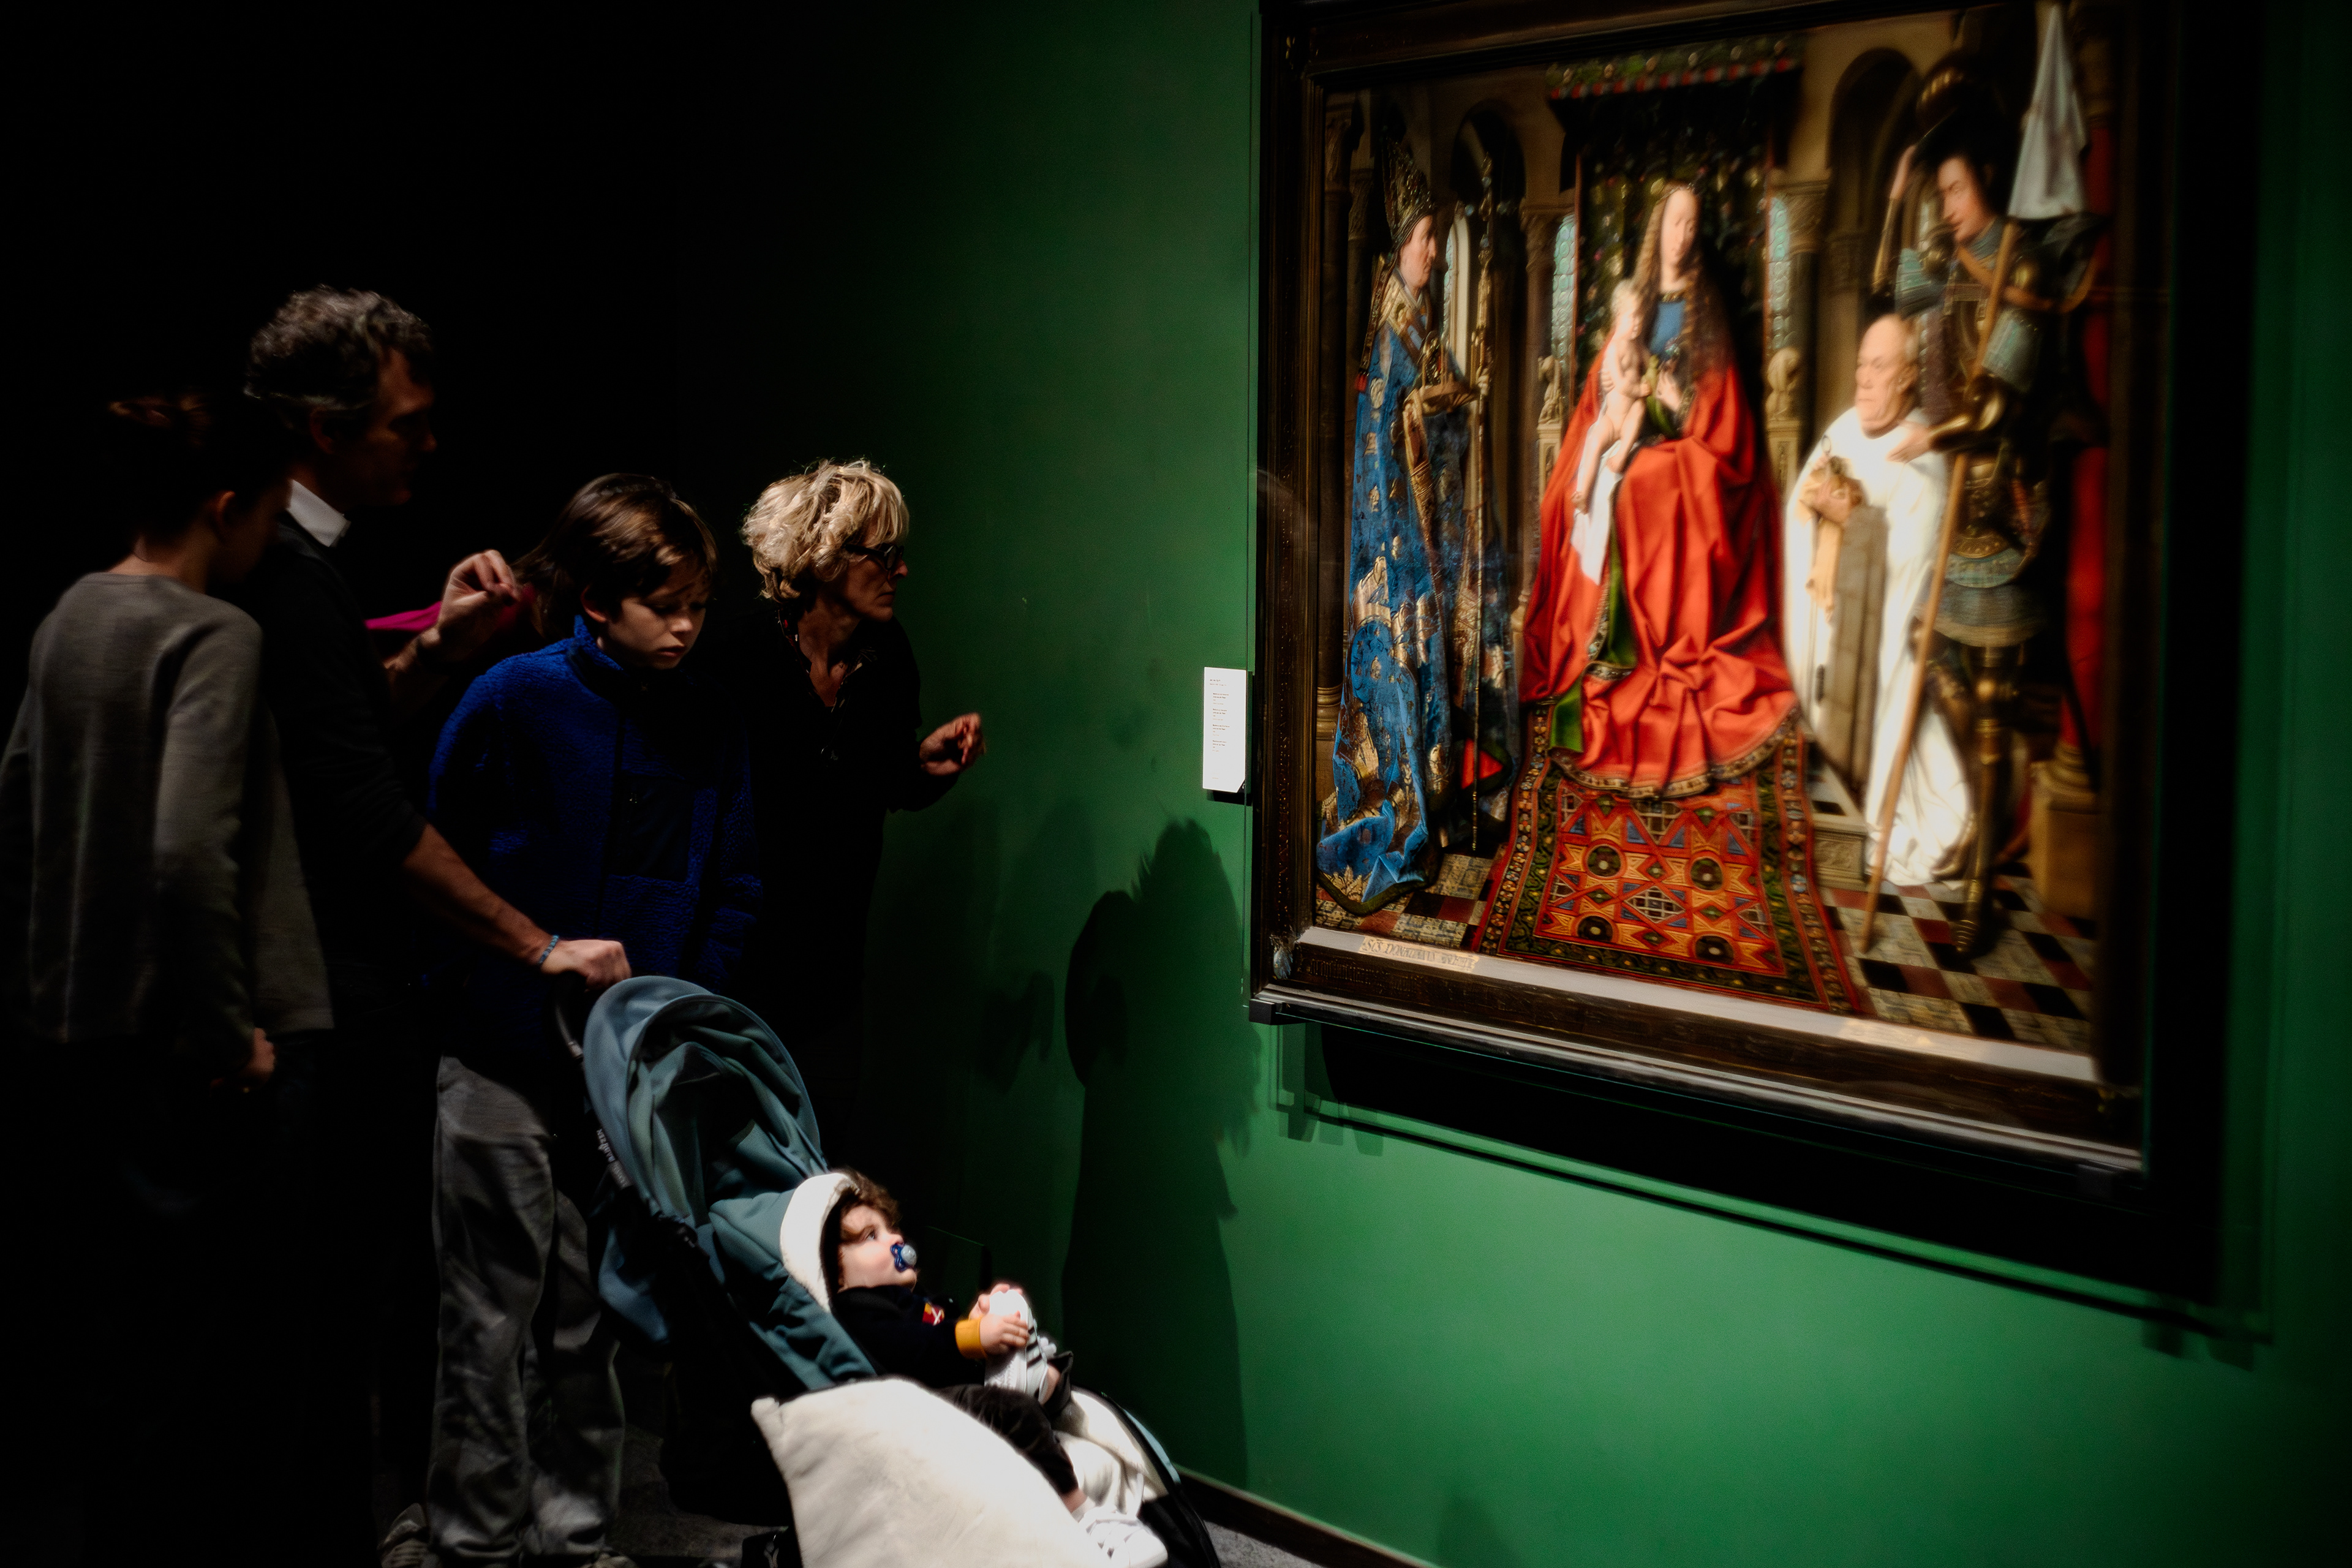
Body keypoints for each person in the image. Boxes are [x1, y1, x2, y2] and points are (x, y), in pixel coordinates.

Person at [235, 286, 629, 1561]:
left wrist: (442, 647)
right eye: (406, 421)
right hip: (309, 999)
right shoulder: (280, 575)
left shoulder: (306, 571)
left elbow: (340, 731)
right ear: (324, 428)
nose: (429, 442)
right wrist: (536, 942)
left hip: (328, 991)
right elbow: (366, 813)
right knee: (316, 1325)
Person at [1, 391, 332, 1562]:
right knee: (225, 1376)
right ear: (226, 507)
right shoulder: (214, 634)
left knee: (126, 1357)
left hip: (88, 1040)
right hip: (205, 1056)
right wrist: (230, 1030)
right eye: (273, 514)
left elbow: (21, 801)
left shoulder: (70, 615)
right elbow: (190, 848)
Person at [420, 474, 756, 1568]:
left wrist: (677, 1012)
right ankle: (473, 1544)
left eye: (699, 605)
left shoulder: (708, 720)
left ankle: (576, 1540)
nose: (687, 627)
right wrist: (487, 991)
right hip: (499, 1054)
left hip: (626, 1076)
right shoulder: (513, 698)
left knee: (591, 1320)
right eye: (665, 605)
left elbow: (732, 881)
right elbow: (434, 857)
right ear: (599, 601)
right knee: (487, 1319)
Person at [725, 461, 983, 1152]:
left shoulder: (887, 657)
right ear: (824, 557)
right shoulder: (739, 656)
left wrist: (924, 767)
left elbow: (883, 782)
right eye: (885, 554)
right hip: (736, 970)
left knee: (816, 1162)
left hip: (833, 975)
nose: (901, 571)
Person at [1519, 182, 1795, 799]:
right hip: (1633, 429)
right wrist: (1611, 396)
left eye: (1692, 224)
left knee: (1646, 479)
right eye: (1675, 222)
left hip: (1684, 444)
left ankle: (1645, 643)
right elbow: (1608, 375)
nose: (1683, 234)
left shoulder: (1705, 309)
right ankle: (1606, 644)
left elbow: (1718, 412)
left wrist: (1679, 404)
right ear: (1658, 229)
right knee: (1588, 484)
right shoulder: (1639, 298)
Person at [1315, 131, 1513, 914]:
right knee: (1400, 682)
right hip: (1393, 551)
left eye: (1435, 237)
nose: (1434, 250)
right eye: (1427, 237)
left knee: (1430, 676)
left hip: (1419, 547)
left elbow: (1436, 402)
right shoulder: (1389, 332)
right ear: (1401, 247)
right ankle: (1397, 822)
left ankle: (1427, 811)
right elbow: (1383, 438)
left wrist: (1460, 401)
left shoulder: (1418, 322)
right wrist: (1440, 413)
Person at [1782, 315, 1971, 886]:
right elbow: (1800, 506)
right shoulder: (1843, 428)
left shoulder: (1922, 459)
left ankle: (1894, 817)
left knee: (1896, 675)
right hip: (1827, 616)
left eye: (1879, 366)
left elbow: (1902, 577)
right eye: (1862, 363)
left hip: (1880, 638)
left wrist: (1851, 520)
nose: (1863, 378)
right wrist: (1822, 513)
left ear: (1908, 377)